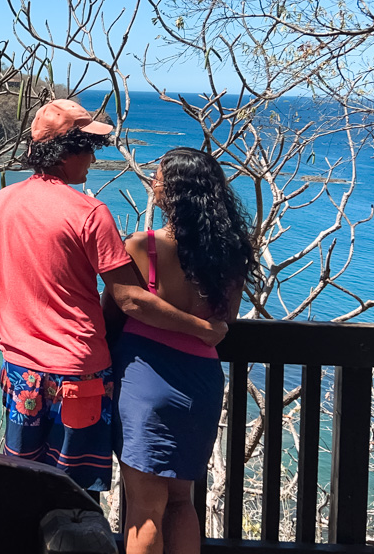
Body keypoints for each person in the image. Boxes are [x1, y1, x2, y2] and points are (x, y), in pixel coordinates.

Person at [0, 100, 228, 493]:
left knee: (23, 486)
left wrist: (20, 310)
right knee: (74, 495)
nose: (91, 158)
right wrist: (203, 328)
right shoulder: (89, 212)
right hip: (79, 373)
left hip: (21, 369)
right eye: (87, 147)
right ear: (66, 151)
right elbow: (131, 299)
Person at [114, 147, 259, 554]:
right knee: (182, 501)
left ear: (174, 190)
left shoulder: (144, 247)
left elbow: (120, 305)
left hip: (146, 381)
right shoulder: (230, 252)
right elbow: (225, 317)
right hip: (201, 383)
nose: (153, 183)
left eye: (159, 177)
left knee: (144, 508)